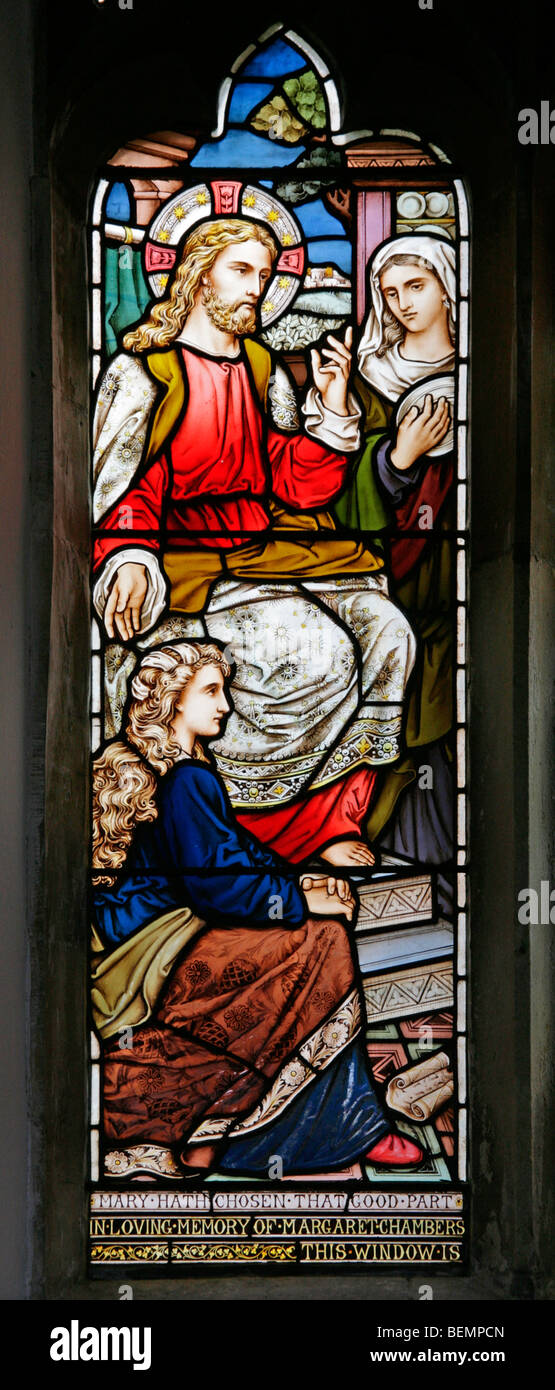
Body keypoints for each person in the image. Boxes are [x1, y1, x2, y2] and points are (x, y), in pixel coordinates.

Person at [92, 207, 416, 869]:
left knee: (389, 632)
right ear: (196, 275)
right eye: (241, 269)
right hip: (192, 565)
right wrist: (128, 552)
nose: (256, 287)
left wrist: (332, 413)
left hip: (267, 553)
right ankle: (250, 839)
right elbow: (120, 486)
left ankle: (333, 822)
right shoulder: (147, 372)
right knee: (314, 648)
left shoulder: (261, 364)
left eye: (266, 275)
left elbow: (293, 486)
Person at [92, 641, 423, 1179]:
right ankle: (329, 1128)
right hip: (157, 952)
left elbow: (235, 855)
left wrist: (300, 879)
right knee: (324, 941)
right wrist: (299, 898)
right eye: (211, 691)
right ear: (174, 701)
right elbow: (215, 887)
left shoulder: (181, 772)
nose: (225, 705)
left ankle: (227, 1132)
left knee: (318, 936)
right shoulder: (185, 780)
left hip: (153, 945)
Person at [335, 235, 456, 904]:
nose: (402, 303)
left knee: (440, 726)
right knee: (400, 723)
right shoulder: (371, 375)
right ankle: (403, 866)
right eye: (388, 293)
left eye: (414, 286)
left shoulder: (479, 368)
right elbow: (342, 487)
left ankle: (441, 884)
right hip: (392, 573)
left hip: (453, 576)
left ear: (444, 286)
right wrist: (399, 459)